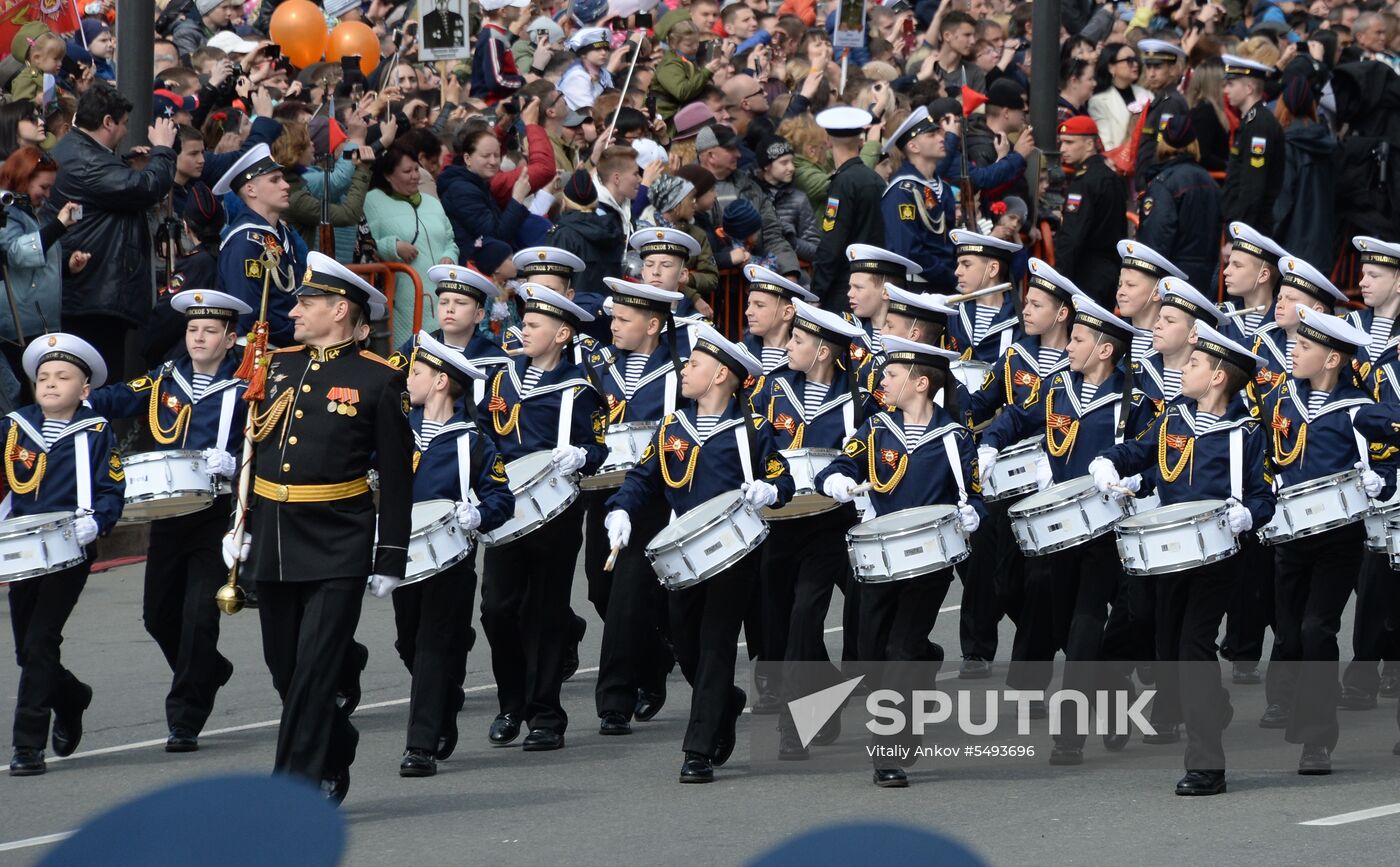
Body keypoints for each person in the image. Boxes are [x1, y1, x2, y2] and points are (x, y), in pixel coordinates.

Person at [221, 252, 411, 804]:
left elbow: (398, 475)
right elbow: (251, 450)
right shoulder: (277, 364)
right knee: (286, 671)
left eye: (307, 302)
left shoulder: (377, 379)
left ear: (341, 309)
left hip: (338, 540)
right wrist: (241, 522)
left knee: (310, 675)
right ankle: (336, 740)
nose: (295, 310)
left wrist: (390, 556)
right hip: (276, 536)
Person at [1090, 321, 1275, 796]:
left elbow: (1264, 494)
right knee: (1167, 648)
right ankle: (1212, 704)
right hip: (1168, 553)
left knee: (1193, 647)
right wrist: (1113, 463)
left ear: (1217, 377)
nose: (1184, 369)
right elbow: (1144, 455)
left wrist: (1247, 516)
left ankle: (1207, 766)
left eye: (1193, 363)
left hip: (1218, 557)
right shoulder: (1174, 417)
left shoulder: (1245, 433)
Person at [604, 325, 794, 783]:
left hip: (734, 556)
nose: (685, 371)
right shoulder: (673, 426)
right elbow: (643, 477)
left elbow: (783, 479)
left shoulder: (752, 431)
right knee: (684, 643)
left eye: (694, 365)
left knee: (716, 644)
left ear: (720, 376)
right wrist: (621, 510)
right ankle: (724, 701)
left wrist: (770, 490)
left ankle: (698, 750)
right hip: (682, 556)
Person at [979, 296, 1155, 766]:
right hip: (1058, 526)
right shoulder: (1058, 386)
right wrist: (991, 443)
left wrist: (1135, 479)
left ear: (1104, 350)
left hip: (1107, 530)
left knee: (1085, 622)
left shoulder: (1133, 400)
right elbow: (1019, 416)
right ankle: (1111, 691)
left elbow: (1152, 451)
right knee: (1053, 613)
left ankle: (1070, 734)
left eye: (1078, 339)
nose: (1069, 346)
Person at [815, 335, 984, 787]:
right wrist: (833, 479)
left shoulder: (954, 436)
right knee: (869, 655)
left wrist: (973, 514)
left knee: (898, 649)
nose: (881, 381)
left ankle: (889, 753)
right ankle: (928, 658)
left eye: (891, 374)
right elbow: (839, 467)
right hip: (877, 560)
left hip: (930, 563)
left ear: (921, 383)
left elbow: (978, 491)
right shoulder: (874, 430)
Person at [85, 289, 250, 752]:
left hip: (215, 514)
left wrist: (234, 461)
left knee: (199, 616)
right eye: (193, 330)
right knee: (158, 616)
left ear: (230, 338)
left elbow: (267, 444)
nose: (198, 338)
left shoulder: (245, 386)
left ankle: (185, 718)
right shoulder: (166, 378)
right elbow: (119, 398)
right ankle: (208, 670)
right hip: (168, 513)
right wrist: (75, 394)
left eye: (210, 331)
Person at [477, 285, 607, 752]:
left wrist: (581, 457)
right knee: (496, 609)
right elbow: (482, 434)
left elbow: (598, 447)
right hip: (503, 507)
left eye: (534, 325)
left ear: (562, 334)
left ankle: (545, 714)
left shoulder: (580, 389)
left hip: (556, 512)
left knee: (545, 611)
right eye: (525, 322)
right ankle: (511, 701)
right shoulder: (502, 379)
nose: (523, 329)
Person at [1260, 305, 1382, 776]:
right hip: (1289, 538)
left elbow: (1387, 460)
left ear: (1333, 359)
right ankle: (1296, 708)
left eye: (1305, 347)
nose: (1294, 351)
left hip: (1339, 539)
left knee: (1317, 628)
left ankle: (1317, 740)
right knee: (1289, 632)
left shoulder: (1358, 411)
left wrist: (1382, 482)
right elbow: (1263, 453)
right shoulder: (1280, 400)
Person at [395, 331, 513, 777]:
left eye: (418, 372)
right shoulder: (398, 429)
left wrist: (478, 514)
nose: (409, 378)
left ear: (442, 382)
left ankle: (420, 747)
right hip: (403, 557)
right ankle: (445, 697)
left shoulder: (475, 441)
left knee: (431, 645)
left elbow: (502, 498)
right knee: (409, 642)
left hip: (451, 561)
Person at [5, 334, 123, 776]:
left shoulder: (95, 431)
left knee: (40, 642)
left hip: (68, 547)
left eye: (63, 377)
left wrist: (100, 520)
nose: (51, 384)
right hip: (20, 550)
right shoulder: (15, 426)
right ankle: (71, 697)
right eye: (43, 377)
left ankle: (27, 745)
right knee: (26, 650)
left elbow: (112, 486)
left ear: (85, 389)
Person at [964, 259, 1081, 689]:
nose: (1025, 311)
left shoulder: (1079, 360)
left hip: (1055, 487)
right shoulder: (1014, 355)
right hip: (1007, 487)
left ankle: (1038, 666)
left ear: (1062, 313)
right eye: (1025, 303)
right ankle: (1060, 639)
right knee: (1004, 580)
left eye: (1036, 305)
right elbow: (981, 403)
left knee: (1039, 581)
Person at [757, 298, 865, 759]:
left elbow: (866, 453)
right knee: (778, 627)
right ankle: (828, 691)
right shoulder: (771, 388)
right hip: (777, 523)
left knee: (806, 616)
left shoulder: (859, 398)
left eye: (797, 341)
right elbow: (757, 443)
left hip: (828, 525)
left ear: (823, 351)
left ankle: (794, 724)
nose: (788, 347)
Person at [591, 274, 689, 736]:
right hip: (604, 492)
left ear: (653, 325)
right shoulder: (600, 365)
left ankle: (615, 700)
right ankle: (654, 661)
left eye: (624, 319)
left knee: (632, 590)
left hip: (655, 494)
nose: (613, 324)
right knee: (602, 589)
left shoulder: (680, 370)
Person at [47, 84, 178, 377]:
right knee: (98, 378)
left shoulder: (81, 150)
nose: (124, 131)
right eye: (124, 124)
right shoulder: (86, 159)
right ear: (108, 122)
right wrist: (164, 151)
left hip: (92, 285)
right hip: (92, 289)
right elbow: (144, 188)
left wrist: (126, 163)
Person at [1340, 236, 1400, 713]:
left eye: (1374, 275)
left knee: (1388, 569)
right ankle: (1367, 663)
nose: (1362, 280)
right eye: (1363, 272)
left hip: (1397, 465)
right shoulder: (1348, 327)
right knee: (1370, 569)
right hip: (1357, 466)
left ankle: (1382, 664)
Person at [0, 148, 87, 399]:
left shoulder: (27, 212)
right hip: (16, 328)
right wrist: (59, 226)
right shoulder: (6, 213)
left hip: (38, 321)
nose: (47, 196)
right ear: (24, 179)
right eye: (43, 187)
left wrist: (67, 268)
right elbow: (17, 253)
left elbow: (36, 265)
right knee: (23, 398)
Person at [363, 143, 460, 346]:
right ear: (389, 175)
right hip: (403, 302)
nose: (415, 175)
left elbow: (450, 240)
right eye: (407, 171)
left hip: (442, 296)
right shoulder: (372, 201)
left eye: (416, 169)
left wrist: (450, 256)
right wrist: (393, 247)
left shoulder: (431, 202)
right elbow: (365, 244)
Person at [214, 143, 304, 348]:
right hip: (258, 351)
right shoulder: (244, 242)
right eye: (275, 180)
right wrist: (300, 333)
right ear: (250, 189)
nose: (286, 185)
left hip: (285, 345)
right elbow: (249, 314)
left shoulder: (280, 232)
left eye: (282, 178)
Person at [810, 107, 886, 314]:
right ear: (860, 140)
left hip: (845, 285)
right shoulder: (875, 179)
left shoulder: (843, 182)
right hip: (873, 282)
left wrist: (817, 292)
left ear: (827, 140)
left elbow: (832, 242)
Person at [1136, 116, 1222, 291]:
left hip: (1171, 278)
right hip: (1204, 277)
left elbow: (1155, 241)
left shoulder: (1164, 183)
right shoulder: (1211, 182)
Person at [1054, 115, 1126, 309]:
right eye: (1061, 143)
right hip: (1109, 271)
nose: (1062, 149)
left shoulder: (1084, 182)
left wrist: (1059, 277)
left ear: (1089, 144)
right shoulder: (1110, 176)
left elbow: (1072, 235)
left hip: (1085, 273)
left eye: (1069, 142)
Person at [880, 107, 956, 292]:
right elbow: (908, 251)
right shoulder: (902, 191)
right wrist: (950, 276)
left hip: (947, 283)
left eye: (939, 132)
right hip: (918, 288)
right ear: (913, 146)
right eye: (931, 135)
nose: (941, 138)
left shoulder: (941, 188)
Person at [438, 122, 535, 259]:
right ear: (467, 158)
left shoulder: (478, 184)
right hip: (475, 267)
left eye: (496, 155)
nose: (493, 161)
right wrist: (517, 199)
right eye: (486, 156)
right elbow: (495, 237)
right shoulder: (462, 190)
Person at [1270, 77, 1337, 273]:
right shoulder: (1329, 144)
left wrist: (1268, 238)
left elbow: (1283, 201)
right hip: (1322, 244)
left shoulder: (1286, 144)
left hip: (1290, 245)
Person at [1133, 278, 1227, 409]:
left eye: (1169, 321)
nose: (1157, 325)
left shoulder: (1210, 385)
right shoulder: (1134, 373)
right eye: (1158, 318)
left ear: (1194, 334)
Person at [1220, 54, 1285, 238]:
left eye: (1231, 84)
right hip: (1246, 223)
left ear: (1249, 88)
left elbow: (1252, 185)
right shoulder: (1251, 120)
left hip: (1252, 228)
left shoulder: (1259, 125)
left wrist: (1239, 234)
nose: (1226, 90)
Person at [946, 229, 1022, 364]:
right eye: (958, 265)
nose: (957, 272)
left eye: (966, 264)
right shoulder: (952, 312)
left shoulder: (1020, 321)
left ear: (992, 269)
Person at [1115, 240, 1187, 364]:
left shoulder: (1173, 342)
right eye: (1120, 285)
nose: (1121, 292)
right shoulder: (1113, 336)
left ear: (1157, 292)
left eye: (1131, 285)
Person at [1220, 222, 1288, 348]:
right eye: (1229, 264)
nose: (1226, 271)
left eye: (1237, 265)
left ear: (1263, 275)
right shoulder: (1219, 316)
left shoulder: (1285, 326)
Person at [1133, 39, 1190, 186]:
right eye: (1148, 67)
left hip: (1157, 180)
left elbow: (1165, 149)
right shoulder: (1162, 100)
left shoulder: (1171, 102)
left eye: (1157, 67)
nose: (1151, 74)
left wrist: (1151, 180)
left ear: (1172, 70)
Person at [1087, 43, 1149, 152]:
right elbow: (1106, 145)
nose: (1135, 64)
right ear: (1111, 67)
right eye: (1129, 60)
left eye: (1136, 59)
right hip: (1118, 162)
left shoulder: (1147, 95)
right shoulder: (1099, 102)